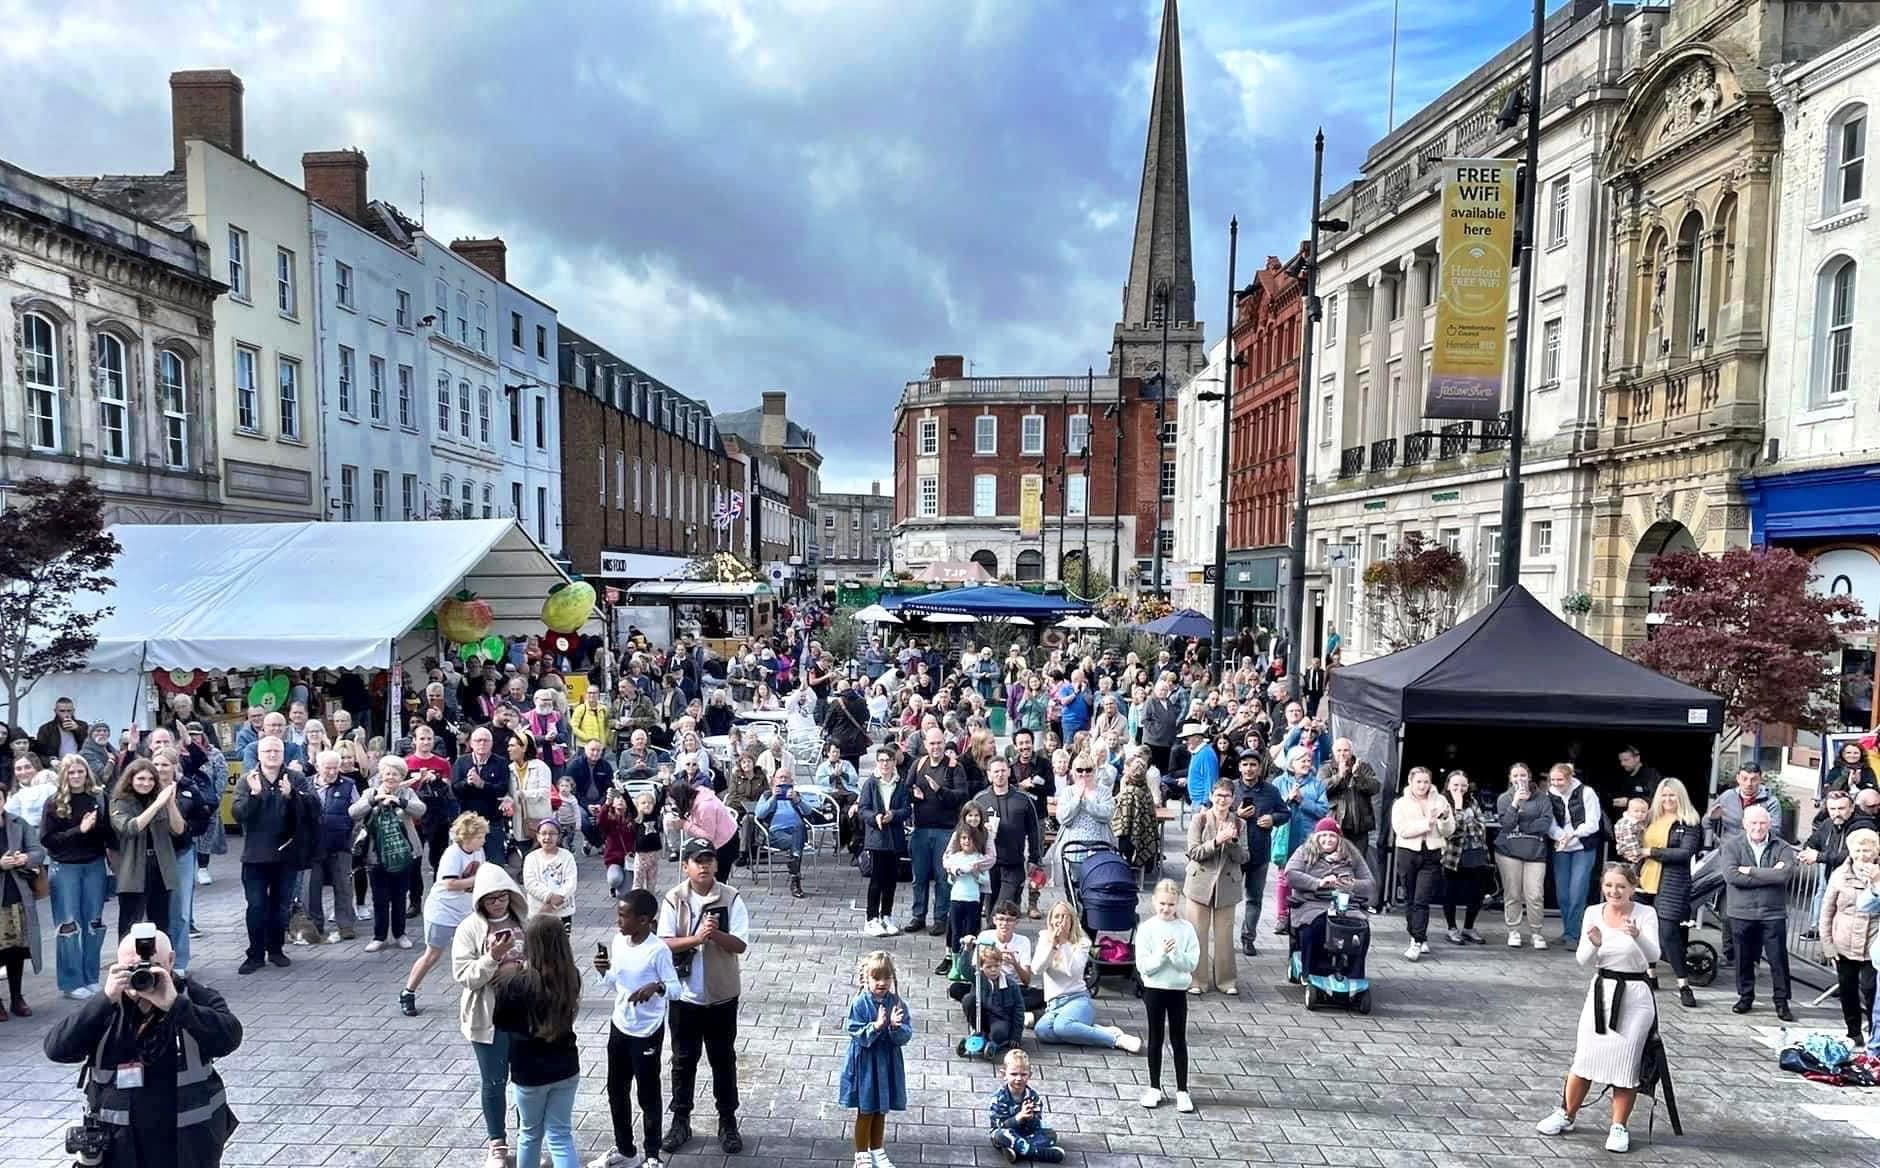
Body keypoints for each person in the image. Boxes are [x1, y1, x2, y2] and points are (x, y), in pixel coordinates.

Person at [42, 926, 242, 1168]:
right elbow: (57, 1049)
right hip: (120, 1146)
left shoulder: (194, 998)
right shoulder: (108, 1007)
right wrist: (104, 1001)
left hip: (186, 1144)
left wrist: (175, 1004)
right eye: (132, 969)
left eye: (152, 966)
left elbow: (229, 1038)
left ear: (170, 961)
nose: (142, 977)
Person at [1534, 864, 1662, 1155]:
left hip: (1635, 996)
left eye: (1621, 886)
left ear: (1632, 888)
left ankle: (1619, 1126)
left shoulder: (1645, 914)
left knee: (1626, 1062)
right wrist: (1594, 944)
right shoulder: (1594, 912)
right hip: (1601, 991)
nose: (1614, 892)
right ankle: (1566, 1113)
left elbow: (1654, 955)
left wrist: (1636, 935)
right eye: (1609, 886)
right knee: (1586, 1057)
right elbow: (1582, 959)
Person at [658, 838, 752, 1157]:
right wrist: (696, 939)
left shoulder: (731, 897)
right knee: (683, 1061)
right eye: (698, 860)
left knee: (723, 1059)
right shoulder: (675, 898)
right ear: (686, 865)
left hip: (722, 996)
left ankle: (727, 1121)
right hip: (684, 996)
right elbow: (664, 943)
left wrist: (717, 936)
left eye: (709, 859)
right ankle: (680, 1120)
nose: (705, 865)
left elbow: (740, 944)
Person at [593, 890, 682, 1168]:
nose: (618, 921)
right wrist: (603, 971)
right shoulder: (619, 942)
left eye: (623, 915)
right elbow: (616, 984)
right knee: (616, 1090)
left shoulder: (658, 950)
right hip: (620, 1025)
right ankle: (625, 1150)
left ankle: (652, 1154)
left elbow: (676, 989)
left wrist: (656, 987)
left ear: (644, 920)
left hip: (647, 1031)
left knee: (647, 1092)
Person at [491, 915, 582, 1168]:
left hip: (528, 1071)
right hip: (566, 1066)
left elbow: (501, 1023)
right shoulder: (571, 976)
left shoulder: (515, 984)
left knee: (529, 1134)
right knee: (561, 1135)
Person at [454, 862, 528, 1168]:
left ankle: (529, 1139)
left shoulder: (527, 922)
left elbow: (544, 962)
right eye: (491, 898)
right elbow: (463, 974)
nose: (498, 903)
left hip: (525, 1013)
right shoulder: (469, 928)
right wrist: (493, 958)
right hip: (487, 1016)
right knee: (494, 1082)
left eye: (502, 896)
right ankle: (497, 1144)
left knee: (527, 1081)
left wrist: (521, 968)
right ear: (480, 900)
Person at [232, 737, 309, 975]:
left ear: (283, 753)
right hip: (255, 856)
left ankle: (276, 949)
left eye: (277, 750)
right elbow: (238, 814)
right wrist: (254, 795)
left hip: (286, 855)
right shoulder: (248, 780)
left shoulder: (295, 778)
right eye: (267, 751)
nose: (272, 755)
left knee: (280, 906)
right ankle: (255, 953)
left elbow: (311, 811)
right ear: (259, 754)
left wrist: (292, 796)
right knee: (256, 906)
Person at [402, 812, 487, 1016]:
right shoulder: (452, 854)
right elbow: (450, 883)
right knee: (432, 954)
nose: (484, 840)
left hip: (467, 910)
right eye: (481, 836)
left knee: (480, 951)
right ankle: (408, 992)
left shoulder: (478, 851)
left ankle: (483, 992)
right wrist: (478, 879)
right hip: (443, 910)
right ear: (469, 837)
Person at [43, 754, 111, 1000]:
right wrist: (78, 830)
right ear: (64, 775)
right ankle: (71, 982)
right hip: (65, 868)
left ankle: (90, 976)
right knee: (69, 925)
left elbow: (107, 834)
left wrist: (96, 826)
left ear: (87, 773)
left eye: (80, 772)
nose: (76, 776)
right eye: (70, 772)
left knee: (94, 922)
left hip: (94, 864)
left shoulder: (97, 798)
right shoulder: (54, 803)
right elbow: (48, 840)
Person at [1719, 804, 1797, 1021]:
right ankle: (1745, 996)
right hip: (1741, 912)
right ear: (1744, 824)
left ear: (1769, 824)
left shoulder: (1782, 847)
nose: (1758, 827)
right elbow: (1732, 877)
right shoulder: (1732, 846)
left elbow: (1784, 876)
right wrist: (1769, 875)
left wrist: (1751, 872)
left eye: (1762, 822)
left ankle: (1782, 1002)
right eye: (1753, 822)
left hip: (1773, 913)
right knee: (1743, 958)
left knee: (1778, 960)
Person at [1032, 900, 1141, 1051]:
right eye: (1057, 916)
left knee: (1062, 1027)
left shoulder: (1081, 943)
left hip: (1077, 999)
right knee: (1042, 1031)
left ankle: (1116, 1039)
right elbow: (1037, 969)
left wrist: (1063, 944)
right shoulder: (1045, 938)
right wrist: (1053, 946)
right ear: (1050, 920)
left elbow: (1073, 972)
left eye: (1065, 917)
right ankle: (1096, 1031)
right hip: (1053, 1005)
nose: (1060, 921)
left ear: (1072, 920)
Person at [839, 950, 914, 1168]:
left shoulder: (897, 1003)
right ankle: (861, 1154)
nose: (882, 983)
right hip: (866, 1065)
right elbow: (854, 1030)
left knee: (881, 1108)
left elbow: (906, 1035)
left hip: (887, 1063)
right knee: (866, 1109)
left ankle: (877, 1149)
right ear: (865, 979)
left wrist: (895, 1027)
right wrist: (876, 1026)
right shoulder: (860, 1003)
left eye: (886, 977)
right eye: (876, 978)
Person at [1636, 778, 1705, 1008]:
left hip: (1672, 883)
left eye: (1672, 795)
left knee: (1668, 933)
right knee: (1644, 930)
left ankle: (1683, 984)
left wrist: (1651, 851)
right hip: (1644, 880)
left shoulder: (1690, 822)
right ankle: (1651, 974)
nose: (1667, 800)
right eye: (1664, 795)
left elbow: (1684, 854)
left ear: (1680, 797)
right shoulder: (1651, 818)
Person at [1134, 879, 1198, 1112]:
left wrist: (1175, 955)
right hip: (1154, 990)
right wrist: (1162, 954)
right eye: (1162, 903)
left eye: (1171, 904)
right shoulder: (1147, 929)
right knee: (1155, 1038)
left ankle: (1182, 1090)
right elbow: (1144, 967)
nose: (1166, 908)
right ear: (1153, 902)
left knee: (1179, 1039)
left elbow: (1190, 964)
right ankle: (1154, 1087)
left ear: (1177, 903)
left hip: (1177, 990)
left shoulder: (1186, 929)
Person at [350, 755, 425, 952]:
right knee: (379, 897)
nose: (391, 777)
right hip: (376, 854)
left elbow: (420, 810)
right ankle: (379, 936)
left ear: (402, 776)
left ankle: (400, 934)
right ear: (381, 775)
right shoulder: (370, 791)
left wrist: (400, 801)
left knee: (400, 896)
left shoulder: (407, 792)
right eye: (387, 773)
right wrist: (374, 801)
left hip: (404, 853)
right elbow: (353, 812)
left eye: (396, 774)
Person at [1181, 779, 1248, 995]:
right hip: (1200, 885)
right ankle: (1196, 981)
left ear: (1233, 799)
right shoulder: (1199, 820)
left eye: (1226, 796)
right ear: (1211, 797)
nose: (1222, 800)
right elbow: (1194, 852)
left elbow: (1244, 857)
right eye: (1218, 795)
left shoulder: (1240, 824)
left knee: (1225, 936)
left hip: (1227, 886)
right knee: (1197, 933)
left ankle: (1226, 981)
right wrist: (1217, 841)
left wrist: (1233, 842)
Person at [107, 759, 183, 941]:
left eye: (151, 779)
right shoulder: (119, 802)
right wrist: (157, 804)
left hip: (161, 867)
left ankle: (161, 964)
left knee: (161, 924)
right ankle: (129, 965)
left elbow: (178, 829)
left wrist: (171, 804)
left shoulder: (161, 798)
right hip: (133, 869)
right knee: (130, 924)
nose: (146, 783)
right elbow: (130, 827)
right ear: (130, 779)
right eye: (141, 778)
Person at [1820, 827, 1880, 1045]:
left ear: (1875, 852)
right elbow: (1827, 910)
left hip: (1872, 943)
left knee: (1871, 989)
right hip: (1843, 940)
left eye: (1866, 850)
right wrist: (1827, 943)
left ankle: (1876, 1032)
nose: (1862, 855)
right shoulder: (1840, 875)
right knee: (1847, 988)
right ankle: (1853, 1030)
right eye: (1857, 850)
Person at [905, 731, 968, 936]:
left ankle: (940, 918)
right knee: (919, 876)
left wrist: (940, 790)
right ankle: (918, 916)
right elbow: (905, 789)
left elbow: (961, 796)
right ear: (925, 744)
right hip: (921, 829)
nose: (936, 747)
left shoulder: (954, 767)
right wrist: (913, 794)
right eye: (932, 743)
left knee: (942, 878)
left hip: (945, 830)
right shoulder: (918, 764)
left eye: (939, 743)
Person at [1391, 766, 1455, 962]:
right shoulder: (1400, 803)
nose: (1422, 785)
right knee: (1410, 898)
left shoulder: (1440, 800)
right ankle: (1416, 934)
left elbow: (1449, 830)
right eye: (1418, 781)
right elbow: (1401, 829)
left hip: (1432, 853)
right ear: (1411, 782)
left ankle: (1417, 941)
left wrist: (1443, 819)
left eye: (1426, 781)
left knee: (1422, 899)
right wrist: (1426, 824)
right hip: (1408, 853)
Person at [971, 758, 1044, 917]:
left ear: (1009, 772)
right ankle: (993, 937)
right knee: (991, 908)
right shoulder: (980, 800)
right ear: (989, 775)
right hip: (988, 865)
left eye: (1003, 771)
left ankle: (993, 934)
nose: (1000, 775)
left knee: (1003, 907)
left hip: (1013, 864)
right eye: (996, 772)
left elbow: (1033, 831)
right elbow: (969, 830)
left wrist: (1034, 858)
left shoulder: (1023, 799)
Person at [0, 770, 46, 1018]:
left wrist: (26, 858)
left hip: (16, 895)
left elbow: (38, 850)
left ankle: (17, 997)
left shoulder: (18, 823)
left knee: (17, 950)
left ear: (4, 800)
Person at [1495, 763, 1553, 949]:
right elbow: (1506, 825)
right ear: (1510, 779)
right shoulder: (1505, 798)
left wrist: (1524, 826)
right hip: (1509, 852)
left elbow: (1545, 823)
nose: (1519, 779)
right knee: (1512, 893)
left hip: (1535, 853)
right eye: (1515, 776)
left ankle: (1536, 932)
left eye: (1523, 775)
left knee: (1535, 894)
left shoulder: (1542, 798)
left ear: (1529, 777)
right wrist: (1515, 804)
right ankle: (1513, 930)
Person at [306, 750, 361, 944]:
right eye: (327, 768)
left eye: (335, 768)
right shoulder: (305, 785)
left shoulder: (349, 785)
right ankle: (315, 924)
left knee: (343, 885)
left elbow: (358, 813)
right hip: (312, 846)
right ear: (317, 767)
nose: (331, 772)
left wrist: (351, 837)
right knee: (312, 887)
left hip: (340, 844)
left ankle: (345, 925)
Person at [859, 747, 915, 937]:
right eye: (881, 760)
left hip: (895, 839)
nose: (885, 764)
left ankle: (886, 915)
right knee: (877, 879)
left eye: (888, 760)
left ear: (893, 762)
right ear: (877, 762)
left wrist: (894, 815)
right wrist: (875, 817)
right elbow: (863, 809)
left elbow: (907, 809)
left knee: (891, 880)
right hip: (877, 839)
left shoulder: (900, 785)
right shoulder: (870, 784)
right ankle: (871, 917)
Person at [1547, 762, 1603, 946]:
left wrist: (1573, 834)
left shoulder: (1587, 792)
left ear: (1569, 778)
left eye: (1560, 779)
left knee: (1577, 891)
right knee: (1562, 893)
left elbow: (1593, 822)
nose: (1556, 783)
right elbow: (1550, 822)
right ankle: (1568, 931)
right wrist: (1560, 836)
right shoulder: (1550, 793)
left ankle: (1574, 935)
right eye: (1553, 779)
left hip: (1583, 846)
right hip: (1562, 846)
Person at [987, 1047, 1065, 1164]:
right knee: (1001, 1135)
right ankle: (1037, 1153)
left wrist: (1031, 1118)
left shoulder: (1033, 1097)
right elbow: (1000, 1125)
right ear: (1004, 1074)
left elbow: (1037, 1123)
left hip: (1026, 1134)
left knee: (1050, 1134)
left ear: (1029, 1075)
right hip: (1006, 1132)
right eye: (1014, 1074)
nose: (1018, 1078)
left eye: (1023, 1074)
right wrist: (1019, 1118)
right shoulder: (998, 1098)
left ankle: (1018, 1150)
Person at [453, 728, 512, 868]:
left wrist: (482, 784)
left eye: (486, 740)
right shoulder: (462, 762)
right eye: (478, 740)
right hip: (467, 821)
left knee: (495, 864)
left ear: (492, 743)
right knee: (467, 865)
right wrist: (467, 783)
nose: (482, 743)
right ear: (471, 743)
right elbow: (454, 789)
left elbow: (502, 789)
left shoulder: (501, 762)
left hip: (492, 821)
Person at [754, 766, 811, 900]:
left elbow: (809, 812)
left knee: (799, 828)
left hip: (797, 831)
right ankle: (795, 877)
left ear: (792, 781)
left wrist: (797, 801)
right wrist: (773, 798)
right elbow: (759, 814)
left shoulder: (796, 795)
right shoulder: (767, 795)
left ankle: (794, 862)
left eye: (786, 778)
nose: (783, 780)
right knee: (797, 843)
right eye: (780, 777)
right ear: (774, 781)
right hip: (776, 833)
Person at [1320, 737, 1379, 847]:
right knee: (1336, 860)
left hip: (1359, 827)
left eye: (1346, 750)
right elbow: (1320, 790)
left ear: (1351, 752)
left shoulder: (1362, 766)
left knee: (1358, 861)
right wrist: (1339, 776)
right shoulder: (1326, 768)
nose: (1342, 754)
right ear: (1333, 752)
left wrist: (1358, 776)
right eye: (1339, 750)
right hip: (1335, 824)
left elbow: (1375, 788)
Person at [522, 819, 578, 931]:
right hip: (538, 911)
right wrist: (548, 897)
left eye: (552, 834)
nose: (547, 837)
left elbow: (570, 882)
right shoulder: (531, 858)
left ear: (559, 836)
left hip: (562, 911)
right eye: (543, 833)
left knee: (561, 944)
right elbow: (530, 883)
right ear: (537, 836)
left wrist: (556, 901)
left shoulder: (567, 856)